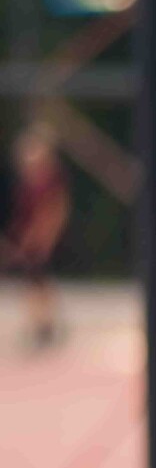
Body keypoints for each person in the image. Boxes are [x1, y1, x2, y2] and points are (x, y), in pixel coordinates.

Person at [2, 125, 70, 350]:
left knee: (38, 281)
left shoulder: (46, 183)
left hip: (41, 239)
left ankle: (45, 325)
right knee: (35, 282)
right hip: (32, 238)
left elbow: (52, 212)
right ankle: (43, 325)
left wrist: (40, 239)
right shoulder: (28, 184)